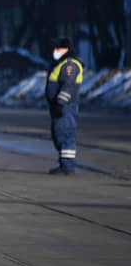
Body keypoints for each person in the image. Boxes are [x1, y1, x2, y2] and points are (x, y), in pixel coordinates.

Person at [45, 37, 84, 175]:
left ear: (66, 49)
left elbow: (69, 86)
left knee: (66, 134)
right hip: (59, 106)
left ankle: (67, 166)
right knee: (58, 134)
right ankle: (64, 164)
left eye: (58, 49)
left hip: (66, 106)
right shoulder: (60, 63)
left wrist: (60, 103)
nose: (55, 51)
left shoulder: (69, 65)